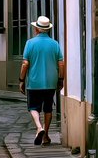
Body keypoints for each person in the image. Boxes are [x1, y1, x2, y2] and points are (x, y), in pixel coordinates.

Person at [19, 16, 64, 146]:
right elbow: (61, 64)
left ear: (37, 29)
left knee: (33, 107)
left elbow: (25, 63)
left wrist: (21, 80)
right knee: (48, 108)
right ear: (48, 29)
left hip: (34, 82)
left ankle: (39, 127)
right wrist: (61, 79)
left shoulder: (30, 43)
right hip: (51, 81)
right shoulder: (55, 44)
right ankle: (46, 136)